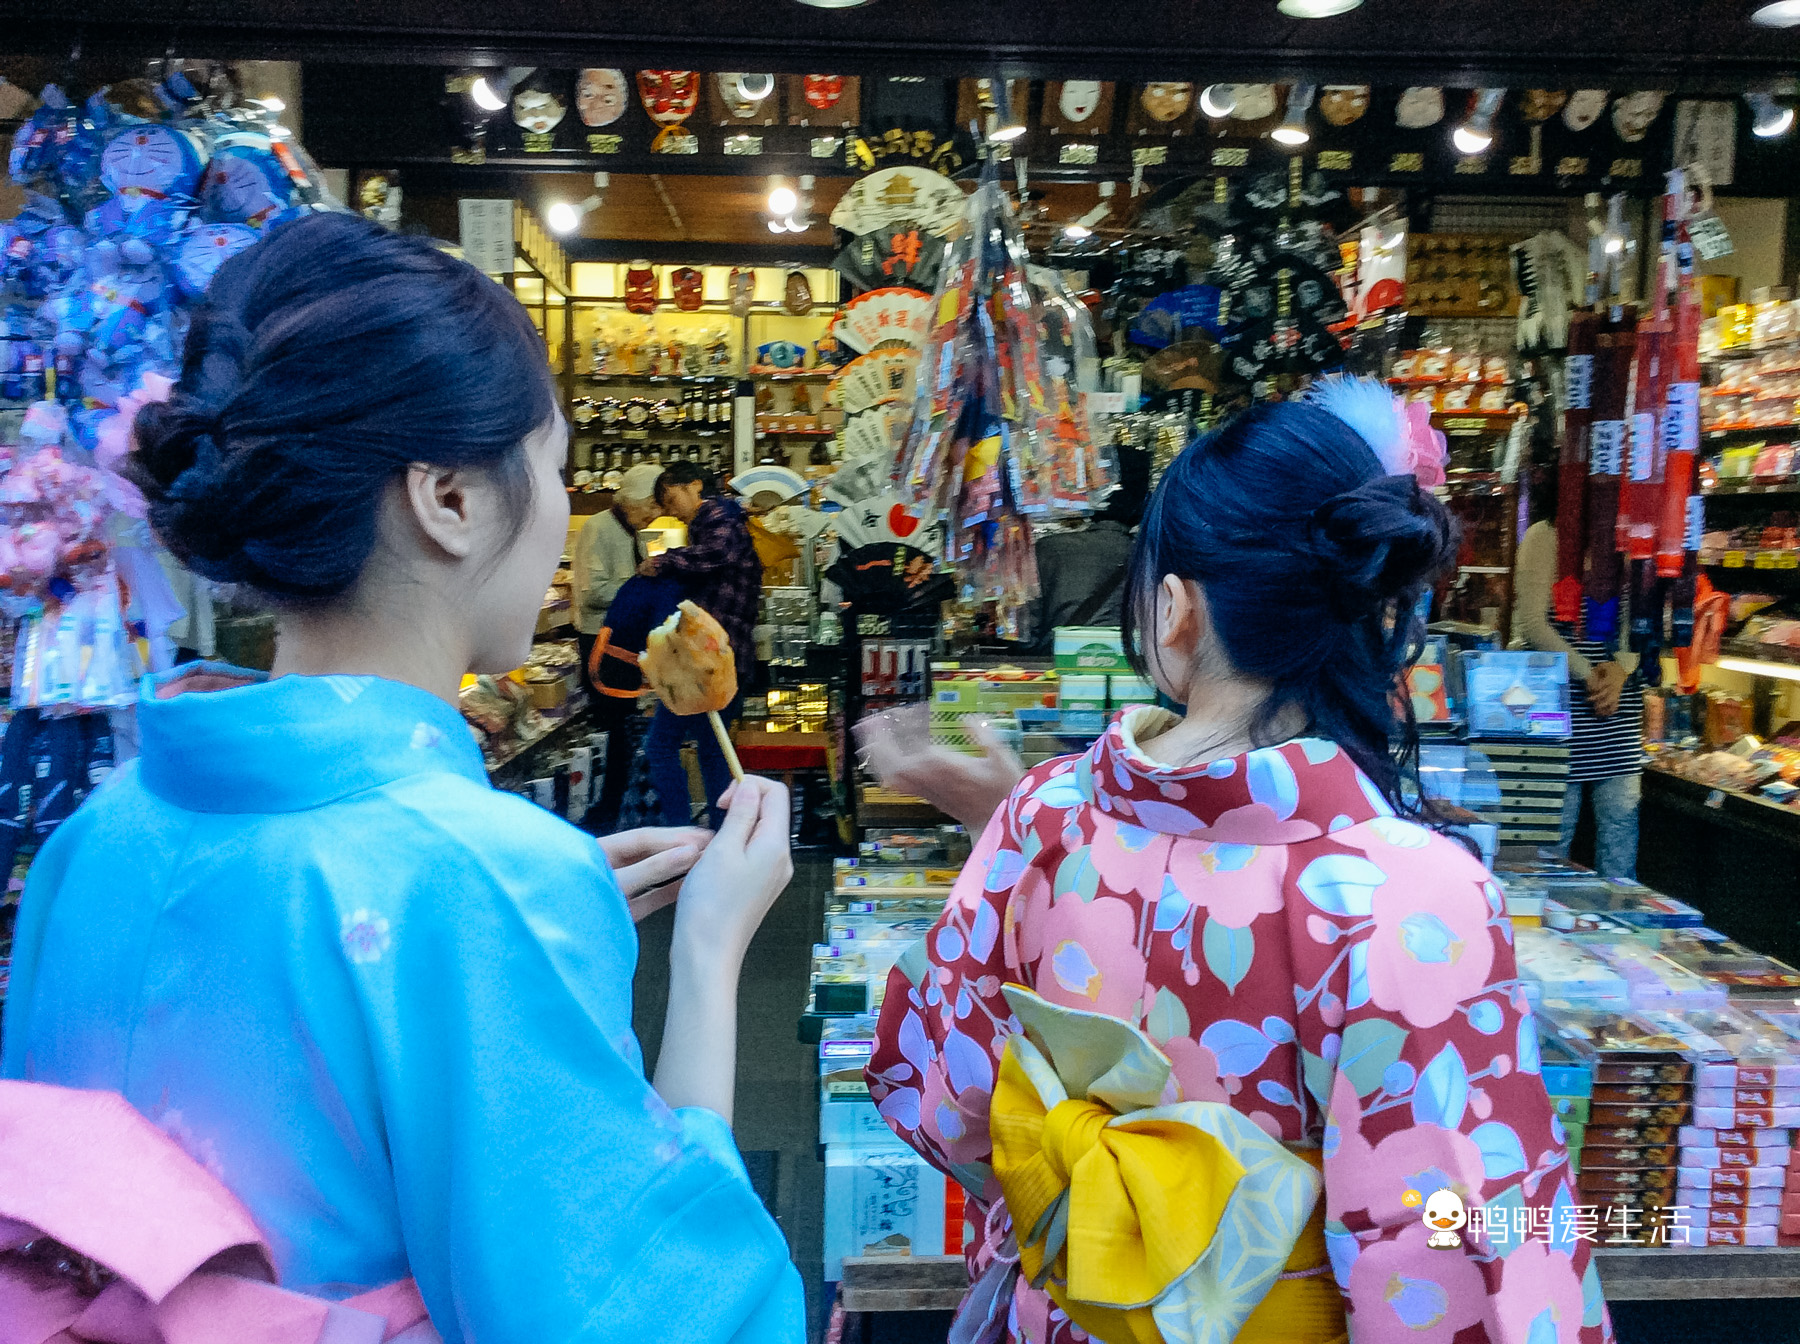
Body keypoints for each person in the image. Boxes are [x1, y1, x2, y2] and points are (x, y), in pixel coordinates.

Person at [0, 214, 803, 1343]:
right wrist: (708, 956)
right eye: (553, 470)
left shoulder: (95, 837)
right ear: (450, 499)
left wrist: (523, 919)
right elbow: (654, 1309)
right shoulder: (491, 878)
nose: (562, 513)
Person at [866, 380, 1612, 1344]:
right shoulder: (1412, 892)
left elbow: (935, 1095)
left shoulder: (1043, 816)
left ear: (1174, 608)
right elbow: (1462, 1241)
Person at [1511, 457, 1643, 881]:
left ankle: (1619, 937)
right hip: (1561, 710)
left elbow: (1639, 618)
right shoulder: (1545, 536)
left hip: (1616, 709)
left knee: (1620, 837)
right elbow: (1533, 624)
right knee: (1553, 835)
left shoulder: (1630, 536)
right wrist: (1592, 675)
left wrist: (1621, 670)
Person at [638, 461, 762, 827]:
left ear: (694, 485)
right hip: (721, 658)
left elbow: (718, 553)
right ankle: (721, 833)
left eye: (670, 496)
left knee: (662, 746)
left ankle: (681, 831)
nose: (668, 508)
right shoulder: (723, 519)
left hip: (704, 661)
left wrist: (663, 562)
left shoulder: (718, 516)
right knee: (713, 751)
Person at [586, 571, 685, 833]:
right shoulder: (670, 585)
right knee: (620, 741)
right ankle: (613, 811)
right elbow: (661, 634)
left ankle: (611, 808)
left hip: (613, 657)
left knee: (618, 738)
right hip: (616, 665)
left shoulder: (656, 579)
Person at [1025, 446, 1147, 653]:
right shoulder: (1151, 556)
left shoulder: (1048, 550)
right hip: (1129, 676)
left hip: (1058, 672)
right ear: (1142, 502)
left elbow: (1025, 633)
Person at [572, 462, 663, 674]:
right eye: (651, 505)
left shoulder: (633, 530)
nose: (657, 513)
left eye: (659, 506)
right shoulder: (599, 528)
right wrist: (644, 594)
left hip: (626, 637)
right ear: (630, 501)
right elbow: (592, 593)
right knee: (612, 704)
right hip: (602, 640)